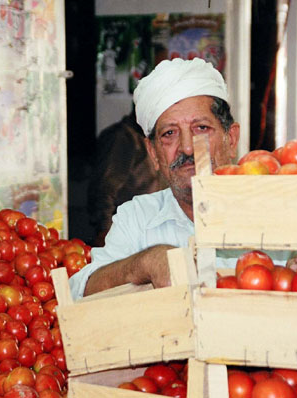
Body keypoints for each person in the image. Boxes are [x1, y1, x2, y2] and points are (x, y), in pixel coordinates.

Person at [70, 57, 240, 299]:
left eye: (201, 128)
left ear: (231, 139)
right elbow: (80, 294)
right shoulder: (137, 218)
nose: (188, 148)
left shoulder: (277, 213)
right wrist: (144, 262)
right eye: (169, 133)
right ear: (153, 153)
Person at [88, 108, 168, 248]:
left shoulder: (154, 139)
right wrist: (104, 232)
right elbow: (104, 190)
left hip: (150, 237)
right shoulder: (122, 138)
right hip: (124, 239)